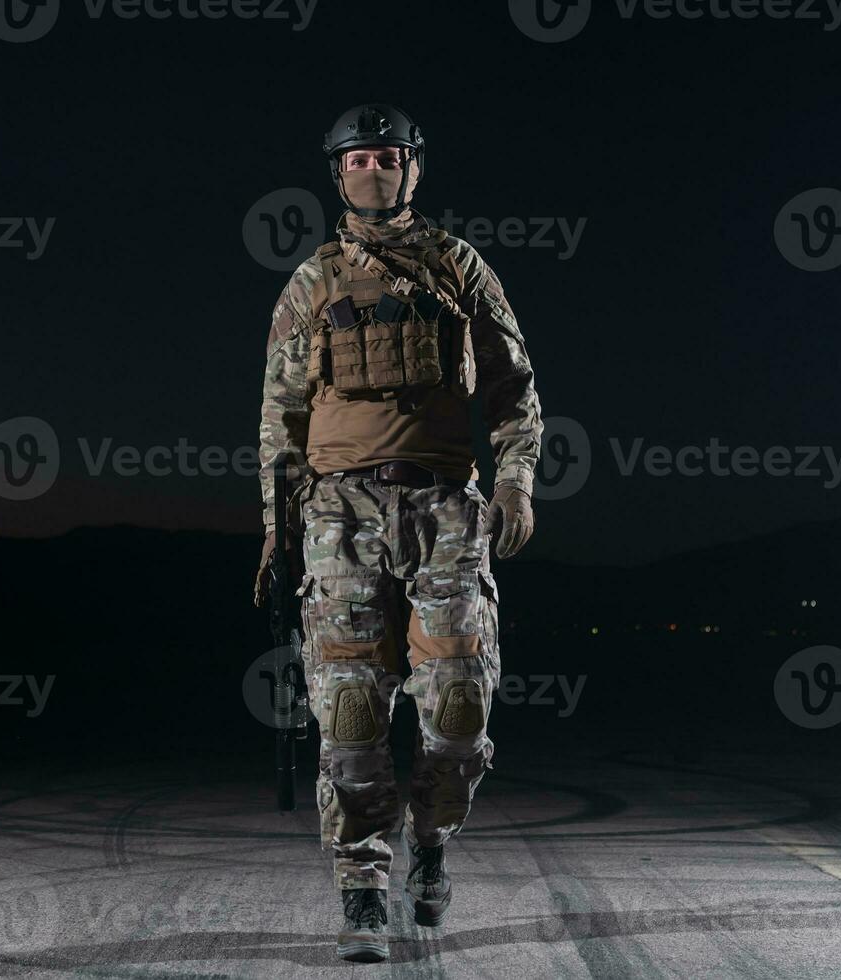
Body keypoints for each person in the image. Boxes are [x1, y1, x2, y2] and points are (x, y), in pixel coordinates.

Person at [254, 103, 543, 963]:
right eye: (356, 160)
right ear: (335, 173)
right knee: (349, 713)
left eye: (386, 155)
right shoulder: (310, 282)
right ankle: (362, 884)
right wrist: (276, 532)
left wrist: (517, 485)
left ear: (413, 166)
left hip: (445, 508)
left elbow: (515, 387)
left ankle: (434, 840)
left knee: (456, 710)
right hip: (339, 515)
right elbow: (281, 417)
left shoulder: (459, 266)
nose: (371, 170)